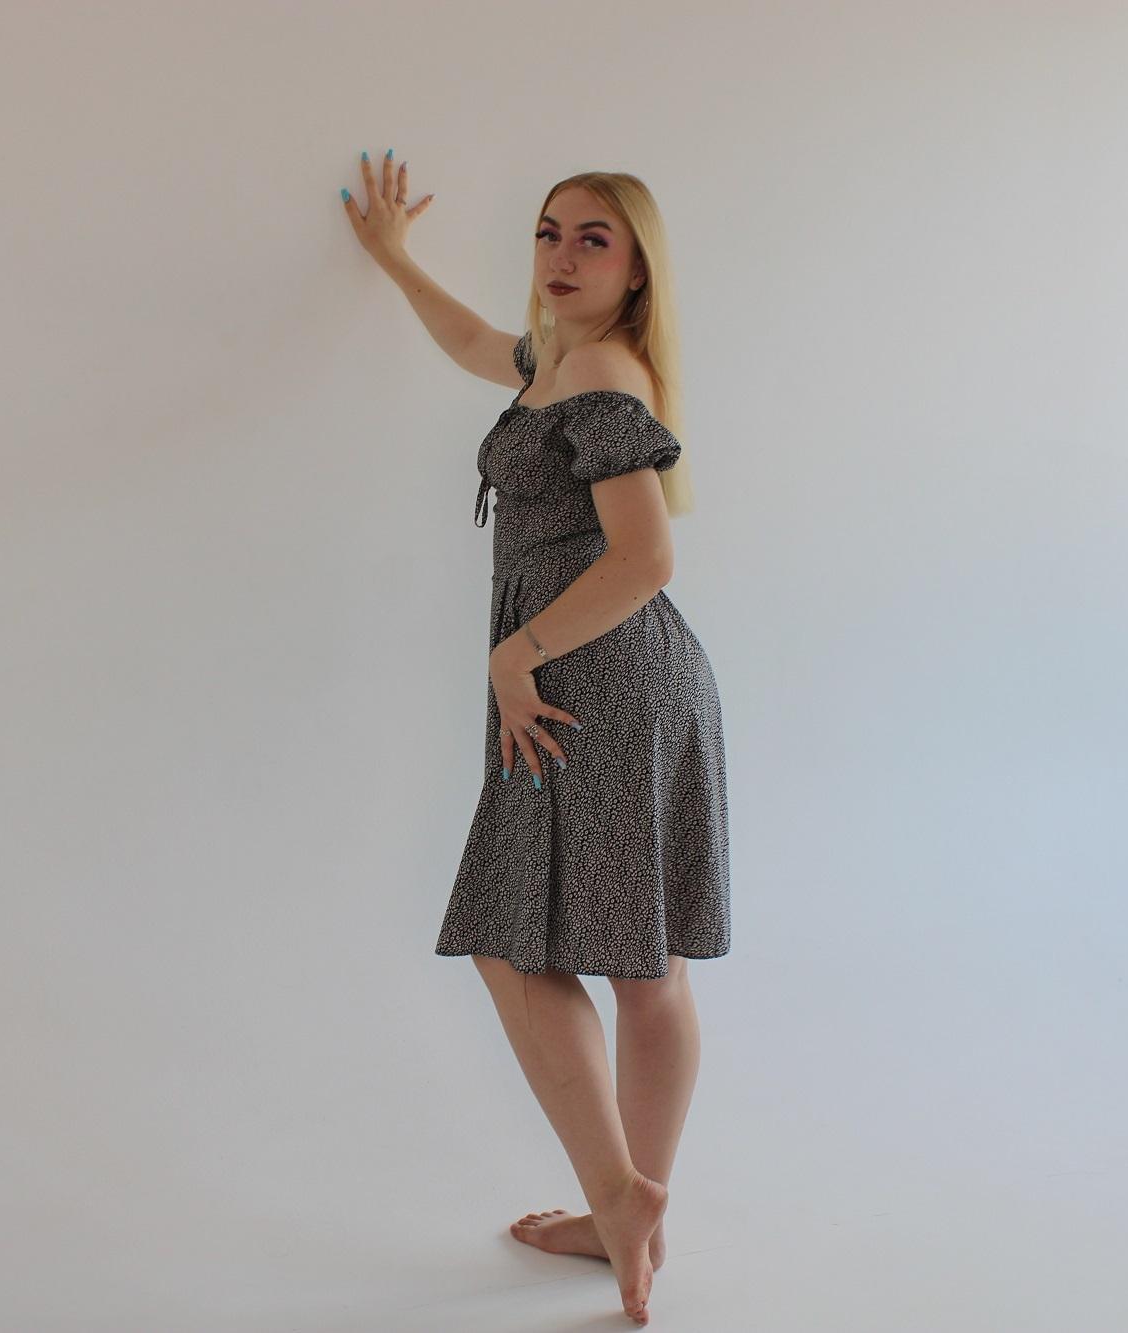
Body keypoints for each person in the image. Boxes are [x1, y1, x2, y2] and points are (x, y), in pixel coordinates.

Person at [343, 153, 732, 1328]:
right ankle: (627, 1215)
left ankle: (617, 1198)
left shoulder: (602, 374)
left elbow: (647, 556)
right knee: (638, 966)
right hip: (611, 678)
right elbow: (474, 342)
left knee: (521, 945)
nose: (560, 255)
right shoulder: (556, 361)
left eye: (592, 240)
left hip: (589, 681)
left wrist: (516, 655)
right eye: (547, 232)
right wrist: (393, 257)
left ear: (636, 270)